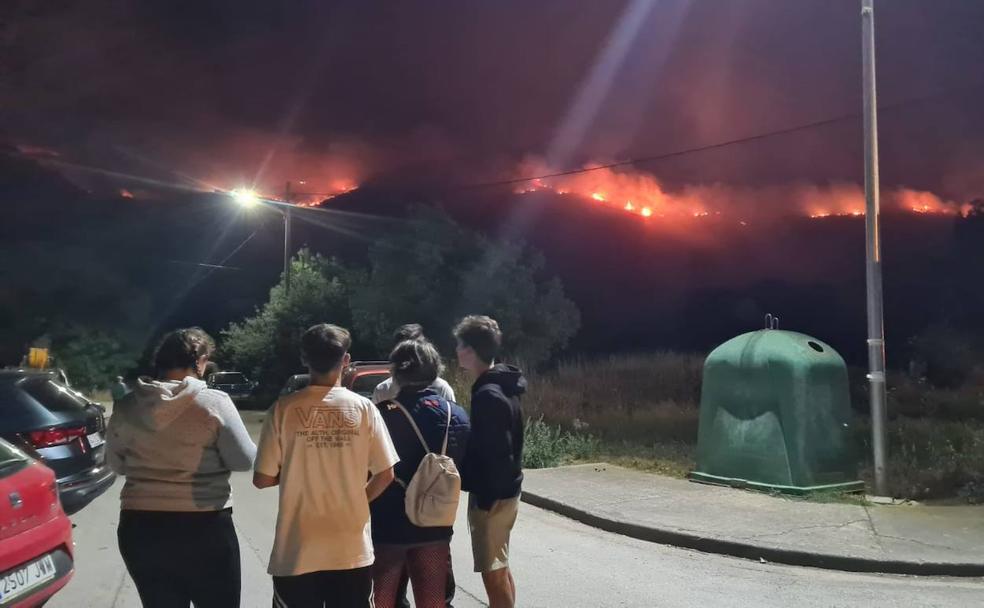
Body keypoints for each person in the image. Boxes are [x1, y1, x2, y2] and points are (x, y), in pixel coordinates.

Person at [105, 327, 257, 608]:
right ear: (199, 360)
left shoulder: (126, 406)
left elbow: (115, 463)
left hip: (141, 529)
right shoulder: (214, 403)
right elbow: (244, 460)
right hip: (205, 528)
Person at [253, 323, 399, 608]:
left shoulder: (283, 409)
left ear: (304, 358)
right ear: (345, 361)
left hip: (296, 550)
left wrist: (297, 468)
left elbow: (262, 478)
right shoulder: (363, 408)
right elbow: (386, 473)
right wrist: (358, 499)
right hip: (350, 548)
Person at [371, 339, 470, 608]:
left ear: (396, 373)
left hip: (389, 526)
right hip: (435, 523)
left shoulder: (379, 416)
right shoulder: (457, 414)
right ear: (434, 369)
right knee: (434, 601)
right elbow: (465, 469)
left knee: (384, 601)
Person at [453, 315, 526, 608]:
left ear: (470, 350)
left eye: (459, 345)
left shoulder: (488, 394)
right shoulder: (503, 384)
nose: (456, 351)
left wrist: (484, 498)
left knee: (493, 575)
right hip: (508, 493)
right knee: (501, 568)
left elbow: (498, 454)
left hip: (493, 499)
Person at [373, 324, 456, 403]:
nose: (411, 360)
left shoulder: (441, 389)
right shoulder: (382, 391)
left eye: (416, 351)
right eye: (405, 351)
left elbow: (450, 415)